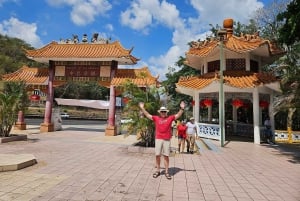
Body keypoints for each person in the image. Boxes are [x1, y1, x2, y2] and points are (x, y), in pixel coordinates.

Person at [139, 101, 185, 180]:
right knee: (157, 155)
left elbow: (178, 115)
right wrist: (142, 108)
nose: (163, 113)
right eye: (162, 112)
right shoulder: (156, 118)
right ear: (160, 112)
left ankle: (166, 172)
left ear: (166, 112)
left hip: (167, 139)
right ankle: (158, 170)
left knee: (166, 156)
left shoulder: (170, 118)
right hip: (158, 139)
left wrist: (182, 108)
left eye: (164, 112)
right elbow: (147, 115)